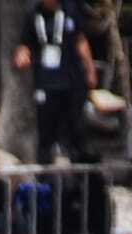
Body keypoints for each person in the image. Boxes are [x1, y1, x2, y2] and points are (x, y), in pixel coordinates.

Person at [12, 0, 98, 164]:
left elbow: (80, 40)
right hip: (46, 83)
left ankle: (82, 169)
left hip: (71, 81)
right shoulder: (33, 14)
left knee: (76, 128)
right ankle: (45, 172)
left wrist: (90, 69)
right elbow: (25, 44)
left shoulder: (70, 10)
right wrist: (22, 55)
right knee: (46, 130)